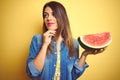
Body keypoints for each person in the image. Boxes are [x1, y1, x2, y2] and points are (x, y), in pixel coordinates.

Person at [26, 1, 104, 80]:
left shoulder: (73, 43)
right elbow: (32, 73)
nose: (48, 18)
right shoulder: (37, 40)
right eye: (45, 15)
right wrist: (45, 45)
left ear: (62, 17)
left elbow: (73, 75)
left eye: (53, 14)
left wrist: (84, 54)